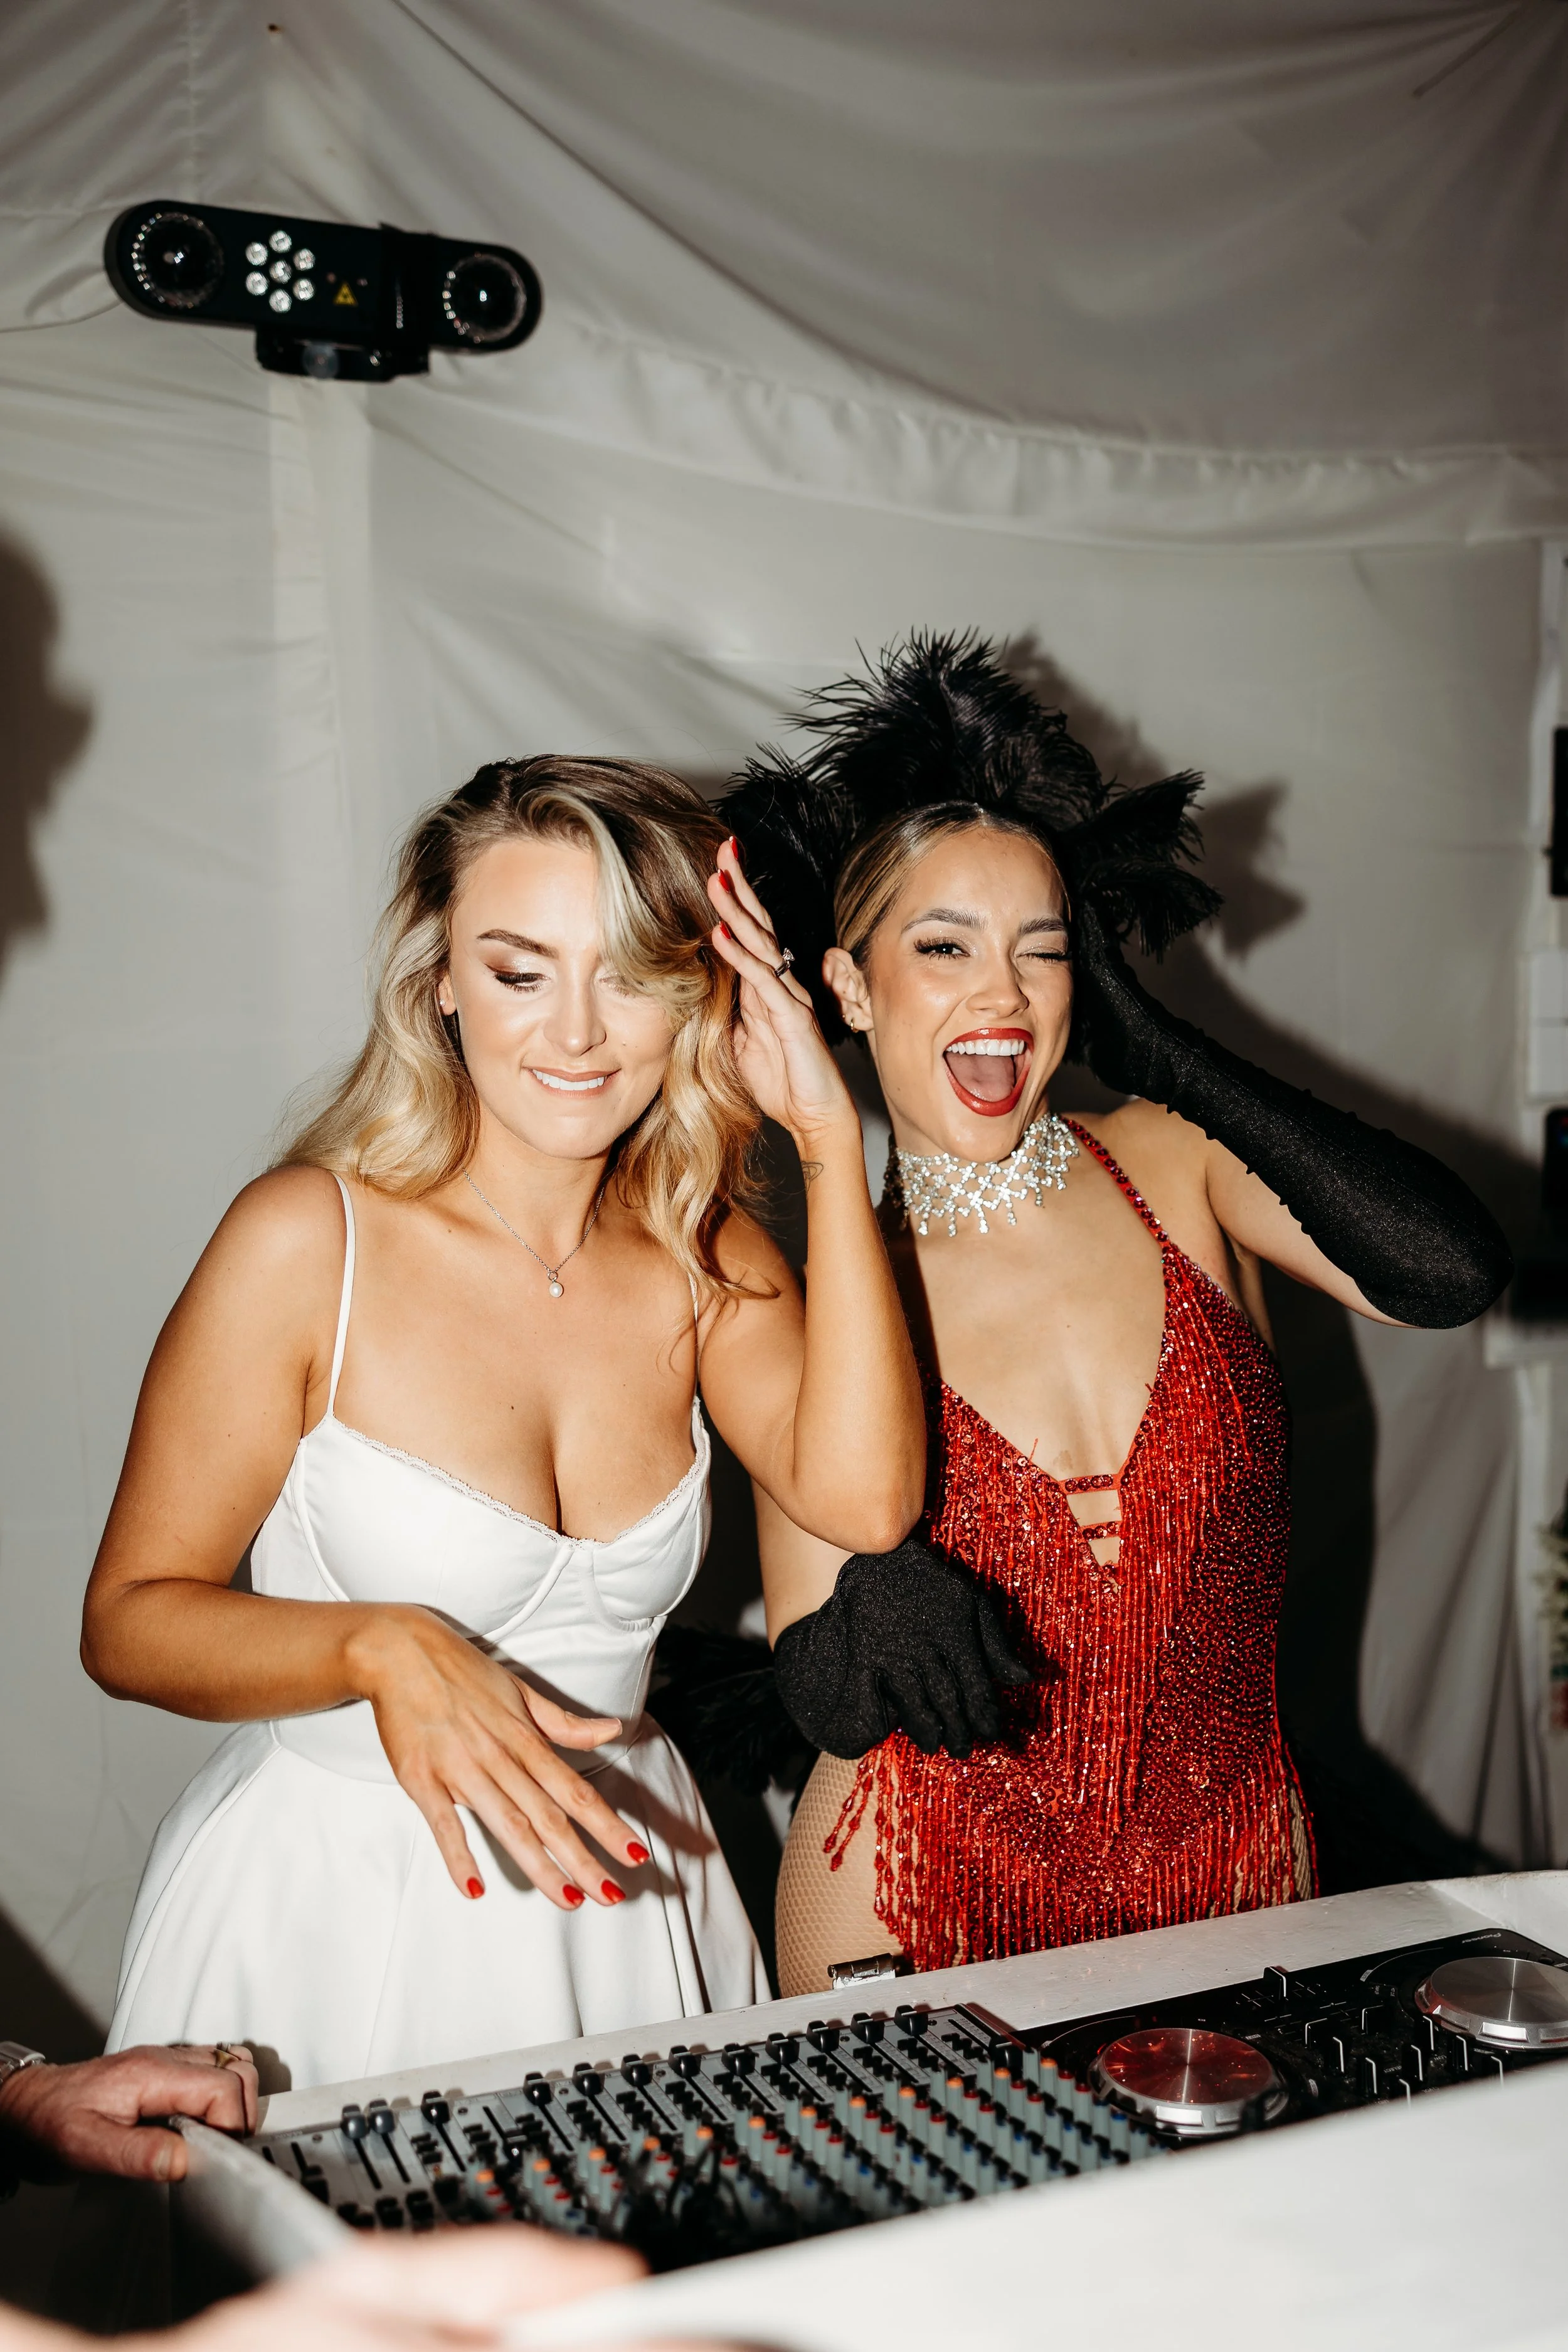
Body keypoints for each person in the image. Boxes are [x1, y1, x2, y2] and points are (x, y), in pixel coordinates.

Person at [83, 757, 923, 2087]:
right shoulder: (307, 1239)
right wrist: (379, 1645)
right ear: (441, 982)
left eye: (630, 975)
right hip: (338, 1911)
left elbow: (868, 1500)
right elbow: (127, 1621)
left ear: (697, 992)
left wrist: (824, 1130)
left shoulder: (704, 1254)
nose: (577, 1033)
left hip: (629, 1909)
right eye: (521, 971)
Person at [720, 637, 1513, 1994]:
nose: (1001, 994)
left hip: (1236, 1881)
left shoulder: (1173, 1162)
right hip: (921, 1897)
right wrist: (866, 1598)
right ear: (847, 987)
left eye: (1040, 951)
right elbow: (827, 1696)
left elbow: (1446, 1272)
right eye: (944, 946)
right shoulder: (825, 1281)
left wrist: (1165, 1055)